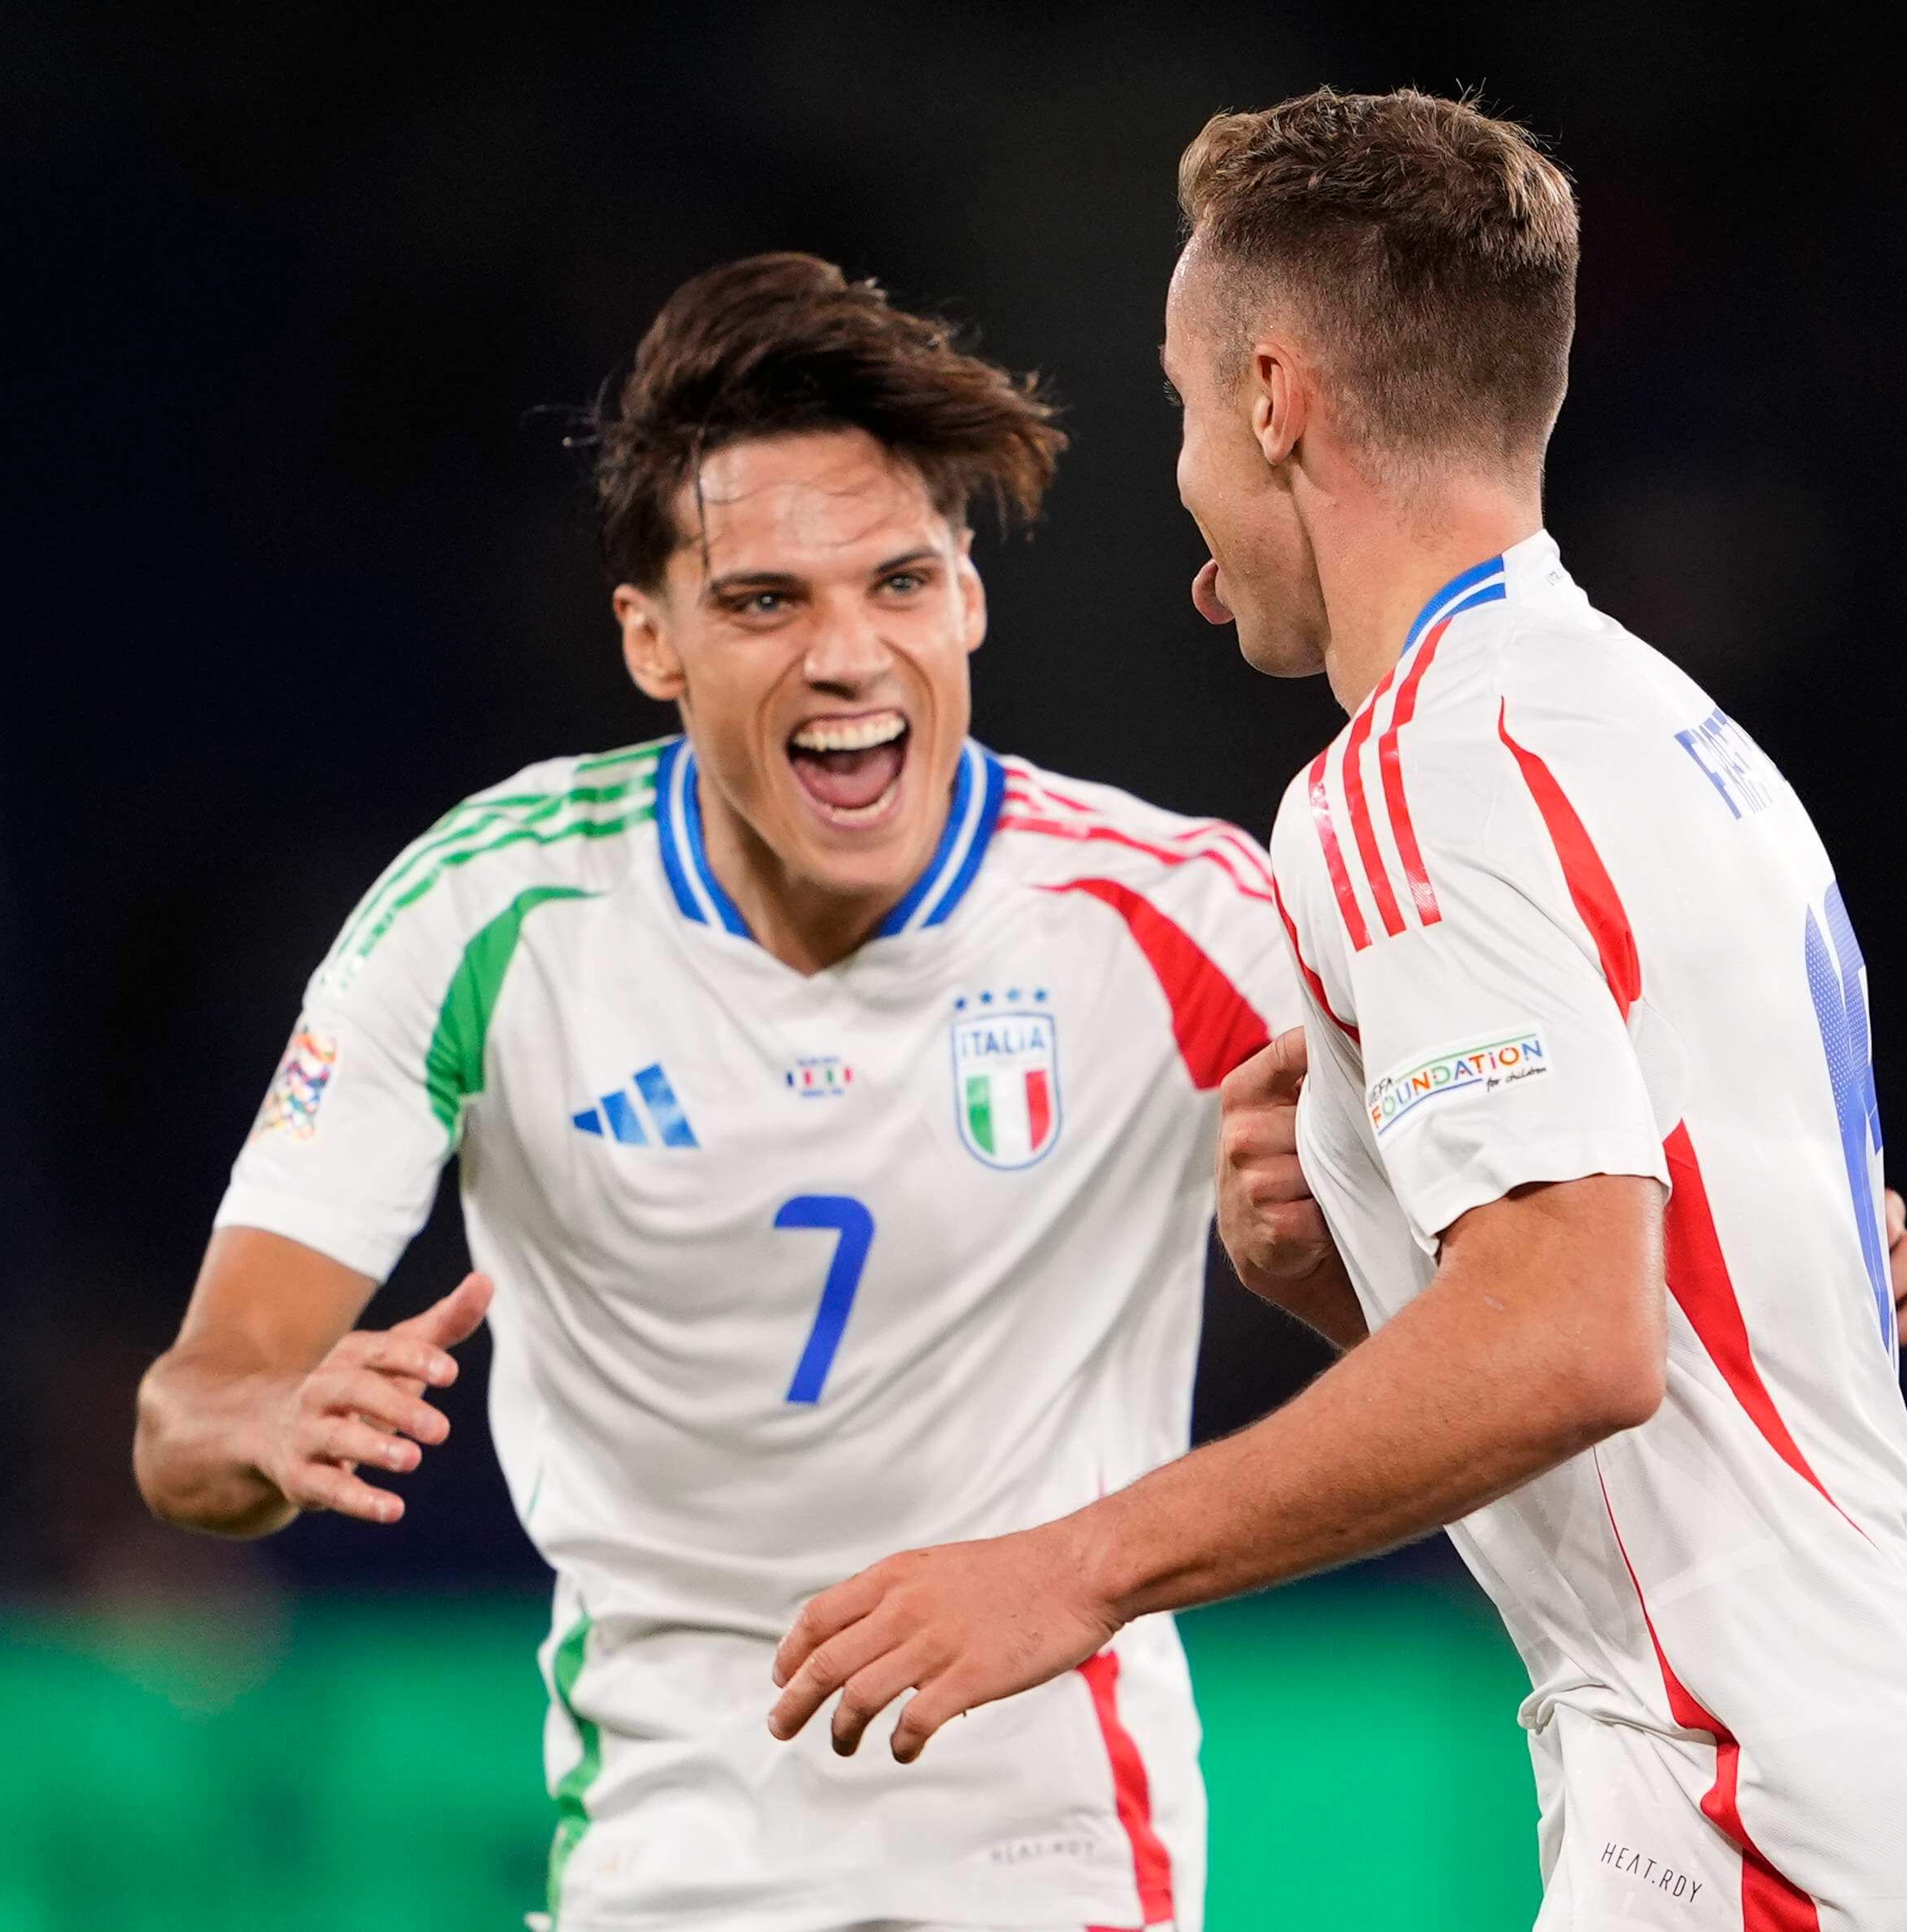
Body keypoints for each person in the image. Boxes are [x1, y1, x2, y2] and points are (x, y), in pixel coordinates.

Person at [768, 91, 1907, 1932]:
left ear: (1271, 398)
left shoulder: (1409, 777)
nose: (1181, 475)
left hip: (1765, 1804)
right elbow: (1690, 1343)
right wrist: (1352, 1269)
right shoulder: (1666, 733)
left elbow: (1577, 1337)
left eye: (1182, 407)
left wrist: (1076, 1568)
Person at [132, 252, 1300, 1932]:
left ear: (967, 597)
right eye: (764, 601)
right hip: (661, 1858)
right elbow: (192, 1412)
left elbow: (1484, 1320)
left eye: (898, 582)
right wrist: (261, 1420)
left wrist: (1305, 1273)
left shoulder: (1175, 913)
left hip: (1051, 1854)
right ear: (650, 639)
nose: (846, 654)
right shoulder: (486, 916)